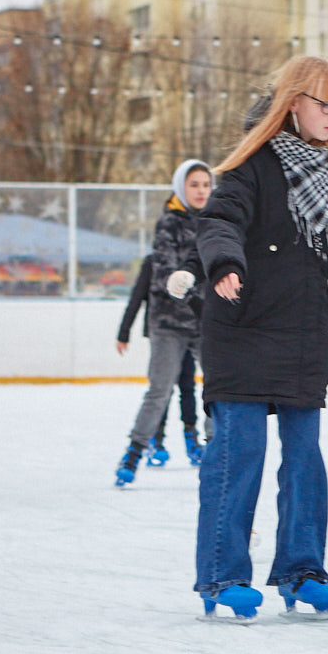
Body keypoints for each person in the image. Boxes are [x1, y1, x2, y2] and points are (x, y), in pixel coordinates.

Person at [172, 55, 328, 621]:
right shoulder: (251, 164)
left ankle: (301, 570)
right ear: (293, 104)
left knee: (305, 460)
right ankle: (221, 575)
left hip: (302, 335)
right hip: (240, 328)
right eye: (324, 104)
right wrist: (225, 264)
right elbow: (220, 220)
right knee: (239, 454)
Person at [113, 160, 212, 486]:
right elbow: (165, 273)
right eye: (194, 184)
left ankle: (215, 448)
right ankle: (134, 452)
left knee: (218, 386)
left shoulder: (216, 221)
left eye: (206, 184)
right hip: (169, 322)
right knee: (160, 390)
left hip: (206, 323)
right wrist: (194, 301)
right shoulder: (168, 223)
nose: (201, 190)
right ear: (181, 187)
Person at [116, 253, 205, 467]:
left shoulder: (196, 260)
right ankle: (156, 438)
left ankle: (191, 435)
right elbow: (138, 295)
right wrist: (124, 331)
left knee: (187, 385)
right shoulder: (154, 261)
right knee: (162, 390)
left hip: (193, 330)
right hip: (165, 334)